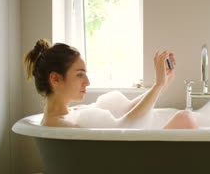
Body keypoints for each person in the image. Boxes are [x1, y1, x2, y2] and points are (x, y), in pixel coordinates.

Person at [24, 39, 197, 129]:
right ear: (55, 79)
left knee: (184, 118)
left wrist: (162, 83)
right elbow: (125, 127)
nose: (87, 82)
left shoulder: (73, 113)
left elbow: (127, 110)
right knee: (184, 119)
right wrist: (158, 85)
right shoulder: (56, 125)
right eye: (79, 75)